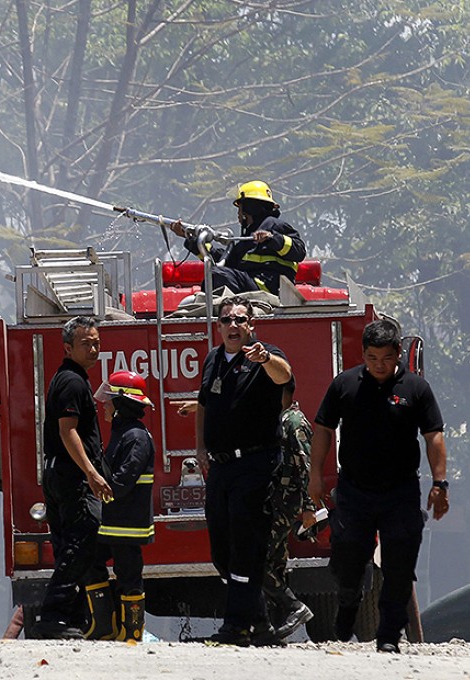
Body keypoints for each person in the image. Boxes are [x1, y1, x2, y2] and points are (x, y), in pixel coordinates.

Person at [309, 320, 449, 653]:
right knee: (348, 557)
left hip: (399, 492)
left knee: (400, 565)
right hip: (355, 490)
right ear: (363, 355)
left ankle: (389, 635)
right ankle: (348, 601)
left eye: (385, 358)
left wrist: (439, 482)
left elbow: (434, 436)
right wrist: (316, 474)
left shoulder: (415, 389)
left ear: (398, 353)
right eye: (372, 358)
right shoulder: (346, 384)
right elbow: (323, 428)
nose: (379, 365)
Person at [196, 295, 293, 646]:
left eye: (240, 320)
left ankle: (236, 626)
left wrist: (266, 358)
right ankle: (263, 623)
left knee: (245, 546)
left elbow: (285, 375)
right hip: (221, 467)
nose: (233, 326)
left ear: (251, 325)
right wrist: (201, 446)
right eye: (227, 320)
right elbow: (203, 404)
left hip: (255, 464)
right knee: (221, 551)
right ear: (218, 327)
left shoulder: (264, 355)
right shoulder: (212, 360)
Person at [30, 316, 114, 640]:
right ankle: (52, 617)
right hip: (72, 479)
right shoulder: (72, 382)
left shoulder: (72, 378)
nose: (94, 348)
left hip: (61, 475)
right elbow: (68, 431)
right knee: (79, 545)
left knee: (72, 546)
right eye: (85, 343)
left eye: (96, 342)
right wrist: (91, 473)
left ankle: (72, 618)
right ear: (68, 348)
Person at [84, 371, 155, 642]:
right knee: (90, 559)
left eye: (110, 400)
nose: (105, 404)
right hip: (112, 521)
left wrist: (96, 474)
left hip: (128, 525)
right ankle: (103, 626)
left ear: (123, 404)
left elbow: (122, 484)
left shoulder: (136, 438)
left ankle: (132, 631)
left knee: (128, 575)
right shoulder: (122, 433)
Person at [170, 180, 306, 295]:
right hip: (251, 285)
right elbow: (227, 262)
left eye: (240, 208)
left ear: (250, 207)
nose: (238, 214)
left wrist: (272, 238)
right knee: (217, 274)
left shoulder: (274, 225)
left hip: (267, 288)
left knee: (217, 276)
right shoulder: (249, 236)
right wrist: (191, 239)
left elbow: (299, 251)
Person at [263, 383, 317, 640]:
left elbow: (305, 465)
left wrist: (309, 506)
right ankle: (274, 629)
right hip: (276, 499)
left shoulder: (294, 422)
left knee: (258, 560)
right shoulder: (280, 419)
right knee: (274, 562)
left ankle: (295, 607)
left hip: (286, 500)